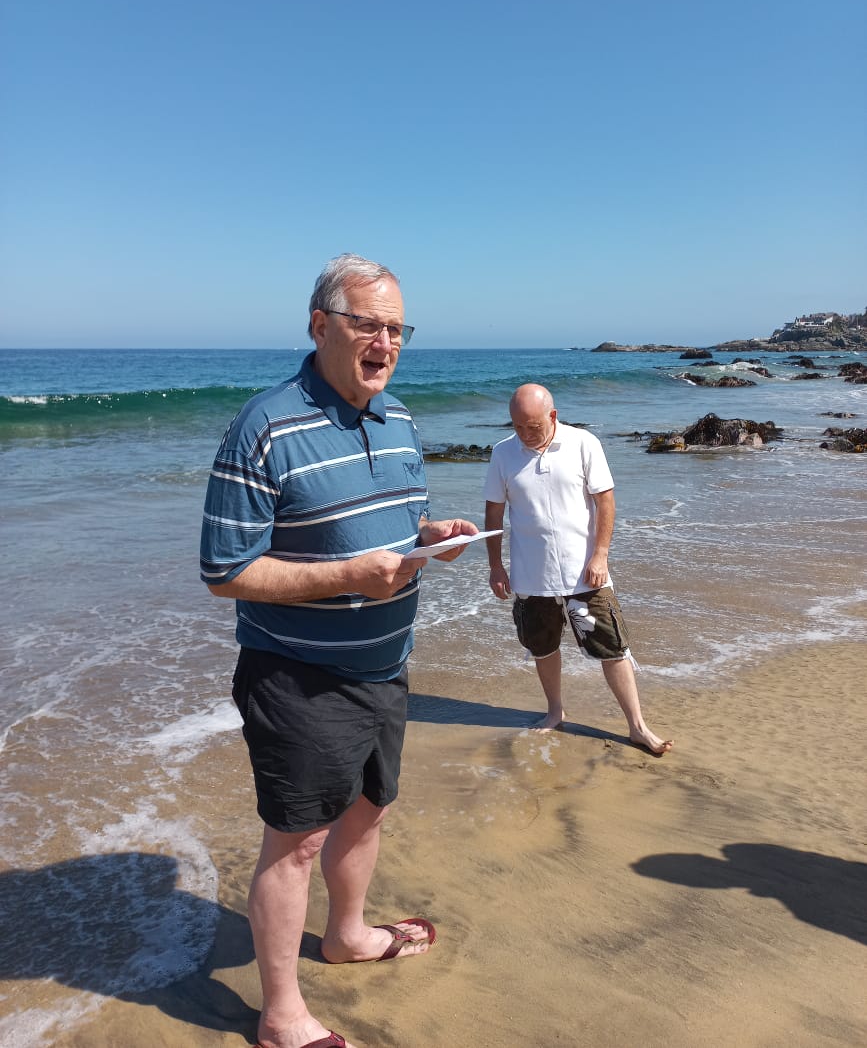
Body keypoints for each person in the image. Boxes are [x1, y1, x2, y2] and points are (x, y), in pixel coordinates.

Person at [200, 253, 478, 1048]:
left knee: (368, 810)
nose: (385, 342)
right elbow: (225, 572)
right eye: (368, 324)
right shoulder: (263, 426)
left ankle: (347, 935)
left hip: (383, 666)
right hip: (297, 675)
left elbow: (389, 527)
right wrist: (349, 577)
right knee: (297, 843)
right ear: (320, 326)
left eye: (396, 328)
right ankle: (280, 1015)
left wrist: (430, 539)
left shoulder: (399, 420)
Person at [483, 383, 672, 755]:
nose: (524, 434)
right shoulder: (503, 453)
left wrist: (600, 555)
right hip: (530, 576)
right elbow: (493, 512)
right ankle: (555, 711)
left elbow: (606, 502)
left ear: (552, 416)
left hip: (585, 573)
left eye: (533, 426)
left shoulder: (583, 443)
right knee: (542, 646)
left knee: (613, 646)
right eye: (518, 426)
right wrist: (495, 566)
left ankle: (637, 726)